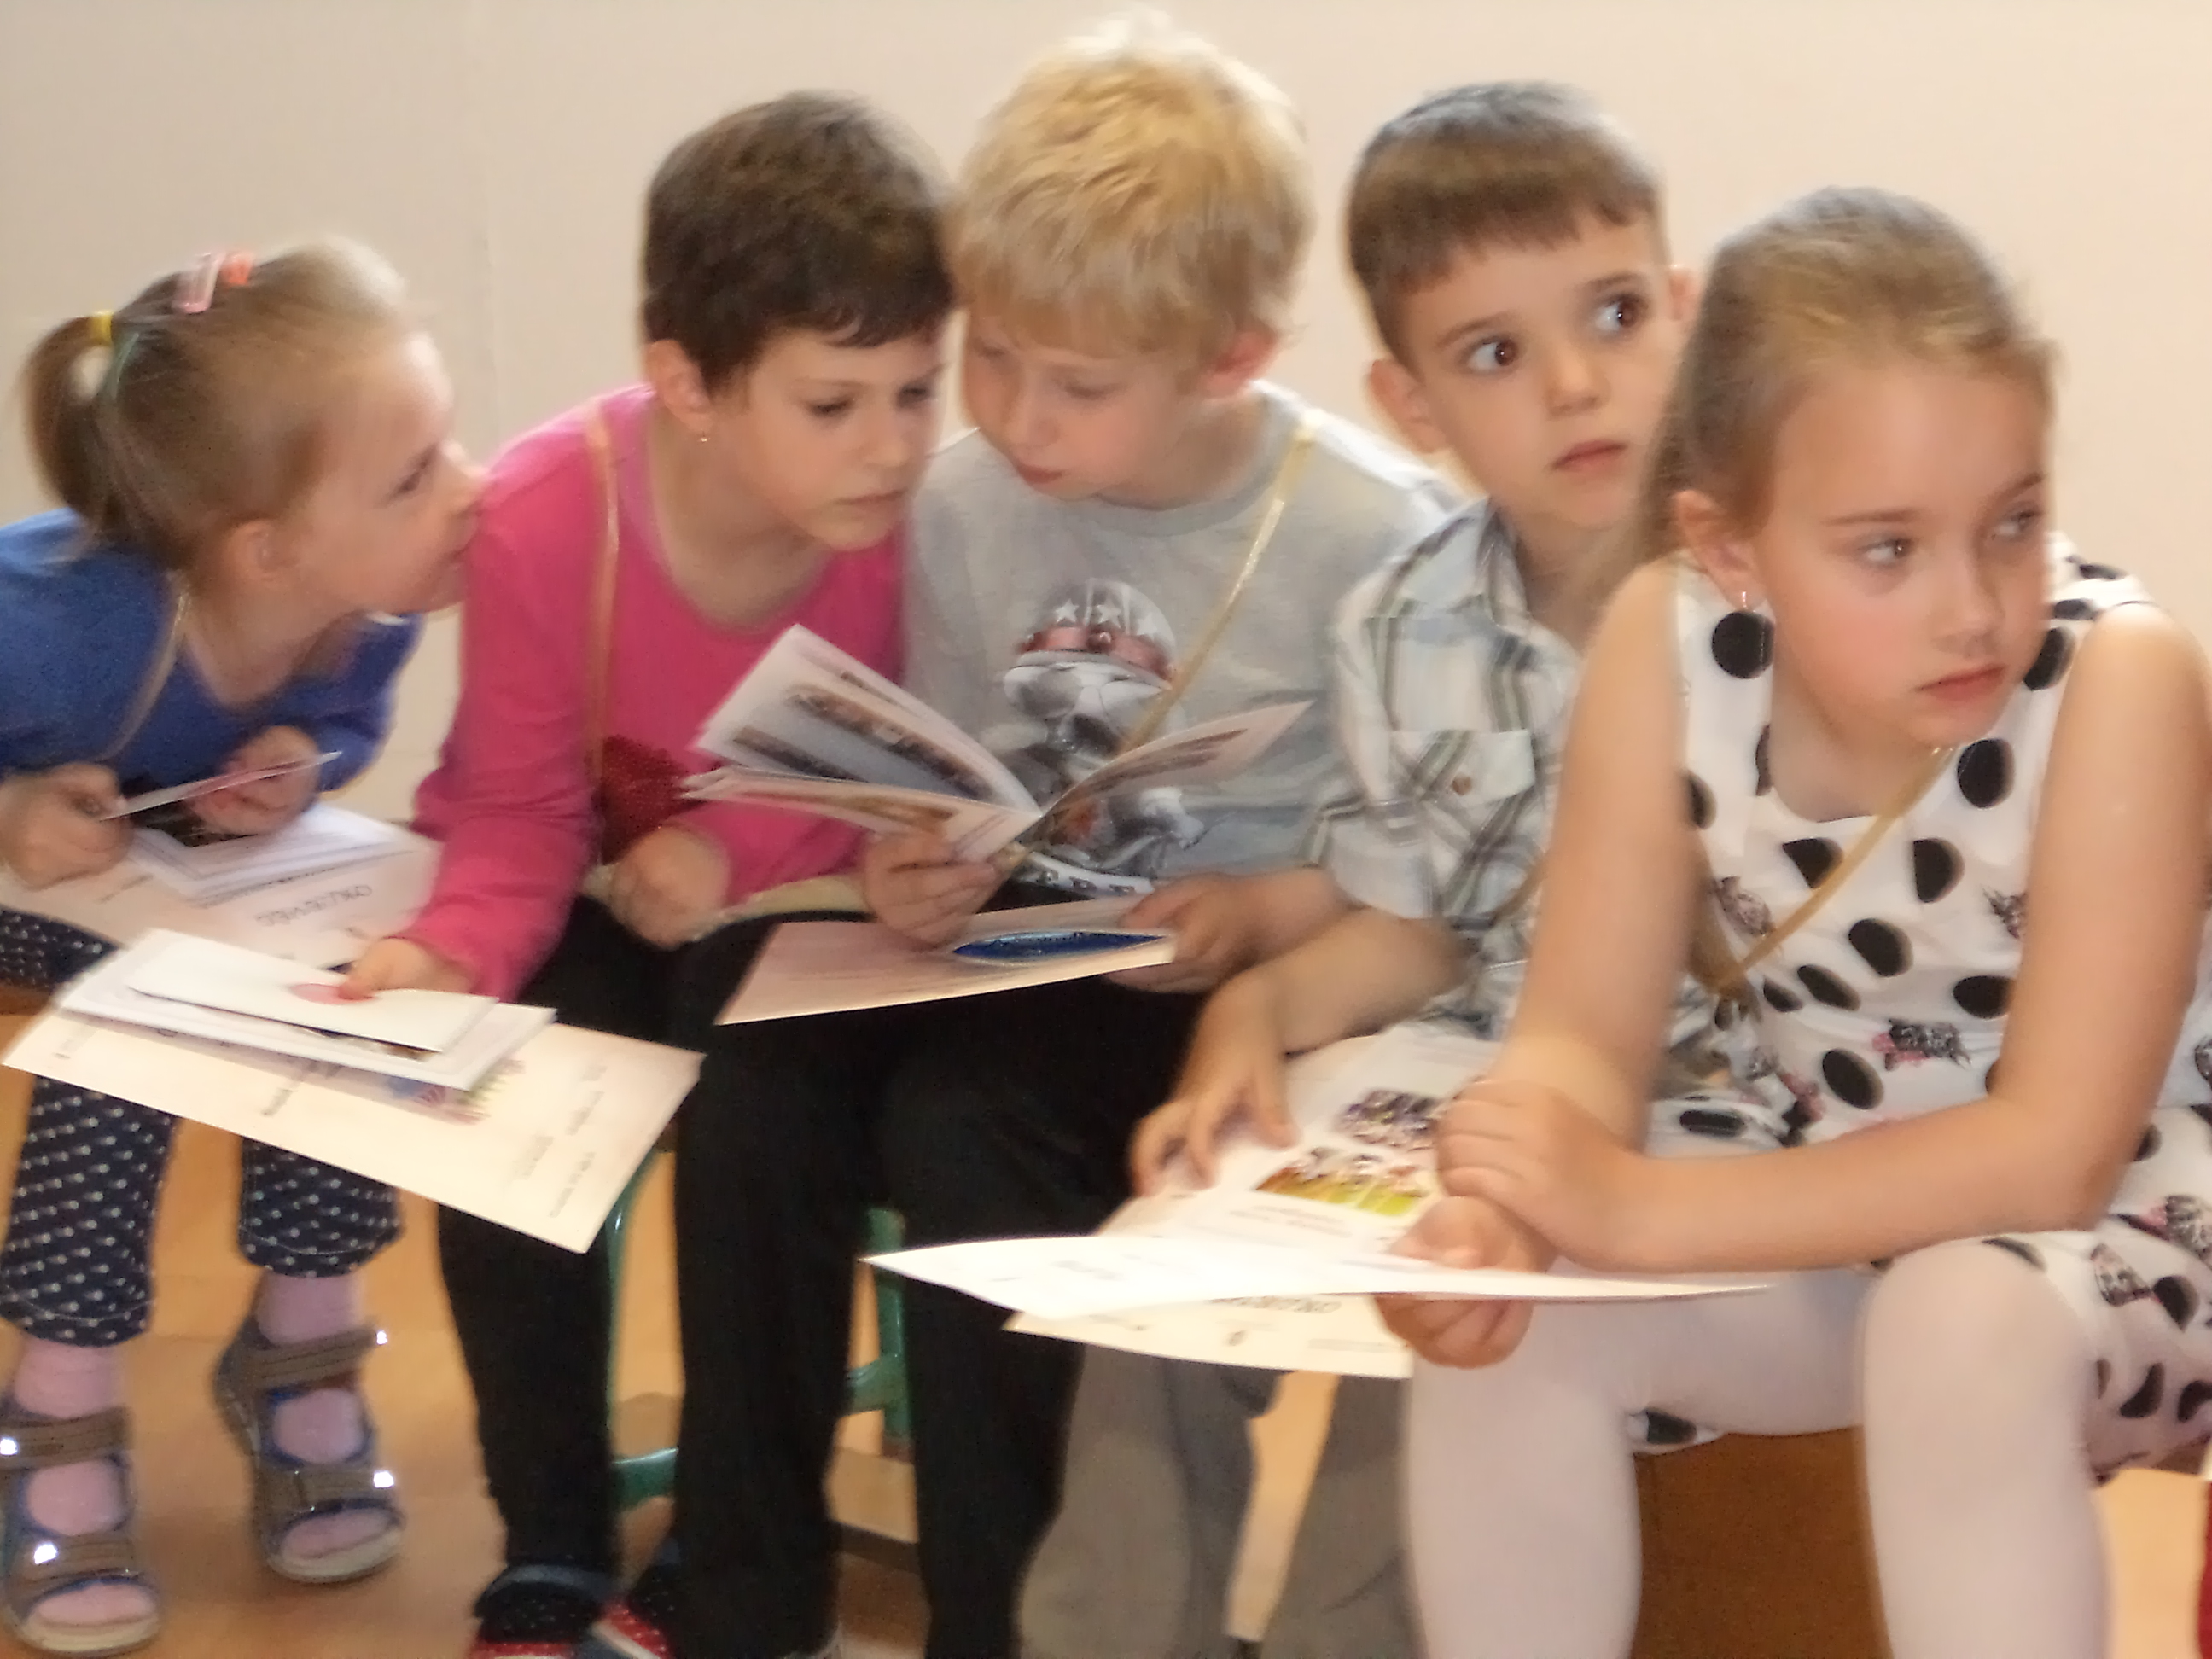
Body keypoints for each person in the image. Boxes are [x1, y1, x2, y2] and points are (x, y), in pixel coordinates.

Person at [667, 19, 1453, 1658]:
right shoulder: (965, 505)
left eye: (1079, 384)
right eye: (996, 356)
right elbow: (954, 775)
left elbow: (1430, 861)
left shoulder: (1373, 538)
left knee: (972, 1130)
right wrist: (910, 866)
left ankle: (1014, 1621)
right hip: (1018, 941)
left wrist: (1265, 909)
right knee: (753, 1095)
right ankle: (739, 1593)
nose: (1018, 415)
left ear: (1230, 355)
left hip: (1241, 984)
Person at [1384, 187, 2212, 1659]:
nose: (1973, 608)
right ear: (1730, 548)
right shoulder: (1664, 638)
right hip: (1832, 1187)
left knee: (1956, 1320)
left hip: (2139, 1223)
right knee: (1518, 1310)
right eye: (1889, 550)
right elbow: (1581, 1033)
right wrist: (1508, 1203)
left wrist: (1634, 1208)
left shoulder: (2120, 682)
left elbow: (2054, 1154)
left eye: (2013, 525)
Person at [1018, 82, 1709, 1659]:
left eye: (1614, 315)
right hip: (1455, 1068)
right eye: (1496, 353)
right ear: (1413, 405)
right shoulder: (1403, 620)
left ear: (1683, 309)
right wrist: (1255, 1010)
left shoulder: (1766, 589)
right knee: (1158, 1276)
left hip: (1682, 1102)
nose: (1577, 383)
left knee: (1438, 1319)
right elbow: (1416, 929)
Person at [339, 95, 952, 1659]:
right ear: (686, 384)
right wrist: (451, 958)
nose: (893, 445)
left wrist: (734, 849)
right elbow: (519, 810)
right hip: (583, 897)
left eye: (918, 389)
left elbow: (900, 782)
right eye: (835, 403)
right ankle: (550, 1535)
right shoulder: (553, 517)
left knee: (768, 1114)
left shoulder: (919, 532)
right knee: (507, 1082)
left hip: (799, 912)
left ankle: (731, 1544)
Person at [0, 242, 480, 1656]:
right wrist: (12, 808)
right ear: (267, 551)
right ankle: (57, 1391)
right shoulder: (59, 624)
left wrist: (301, 762)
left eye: (449, 445)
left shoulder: (364, 618)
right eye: (414, 476)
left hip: (172, 883)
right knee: (133, 1024)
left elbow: (344, 731)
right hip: (39, 880)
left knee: (348, 981)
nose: (467, 489)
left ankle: (301, 1340)